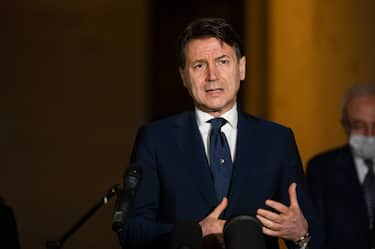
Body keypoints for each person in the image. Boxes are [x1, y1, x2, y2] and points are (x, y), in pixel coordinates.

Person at [123, 17, 323, 249]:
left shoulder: (277, 140)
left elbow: (314, 237)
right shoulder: (156, 139)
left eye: (222, 62)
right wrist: (196, 232)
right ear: (183, 77)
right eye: (199, 65)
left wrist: (301, 234)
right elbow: (131, 231)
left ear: (241, 68)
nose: (212, 76)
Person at [306, 83, 375, 249]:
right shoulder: (322, 170)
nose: (369, 135)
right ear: (345, 126)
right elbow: (314, 237)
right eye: (359, 126)